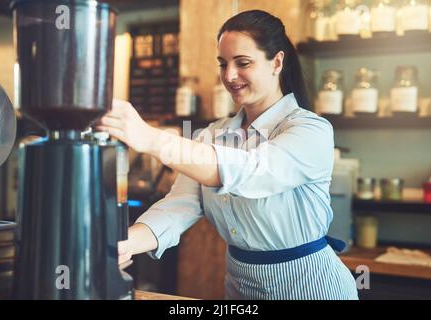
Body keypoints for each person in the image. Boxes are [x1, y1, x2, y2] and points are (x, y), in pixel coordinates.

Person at [97, 10, 358, 300]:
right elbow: (179, 206)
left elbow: (249, 171)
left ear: (277, 62)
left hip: (311, 287)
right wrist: (125, 243)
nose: (229, 76)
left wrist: (151, 139)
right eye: (223, 64)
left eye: (243, 63)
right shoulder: (212, 135)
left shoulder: (310, 130)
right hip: (239, 285)